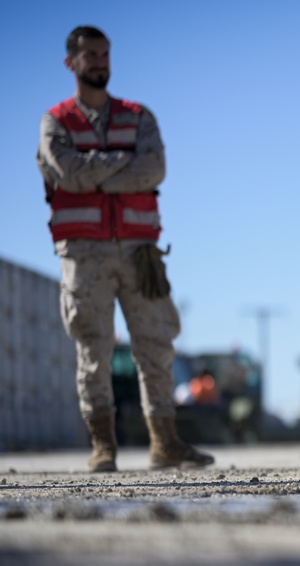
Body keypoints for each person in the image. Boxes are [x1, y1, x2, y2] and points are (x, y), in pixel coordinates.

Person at [36, 26, 214, 472]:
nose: (100, 62)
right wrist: (120, 162)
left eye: (105, 54)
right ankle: (103, 447)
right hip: (83, 253)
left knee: (156, 345)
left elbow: (153, 170)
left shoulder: (139, 117)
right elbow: (69, 174)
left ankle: (165, 443)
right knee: (92, 348)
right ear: (71, 63)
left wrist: (94, 168)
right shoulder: (55, 122)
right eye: (90, 55)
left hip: (140, 250)